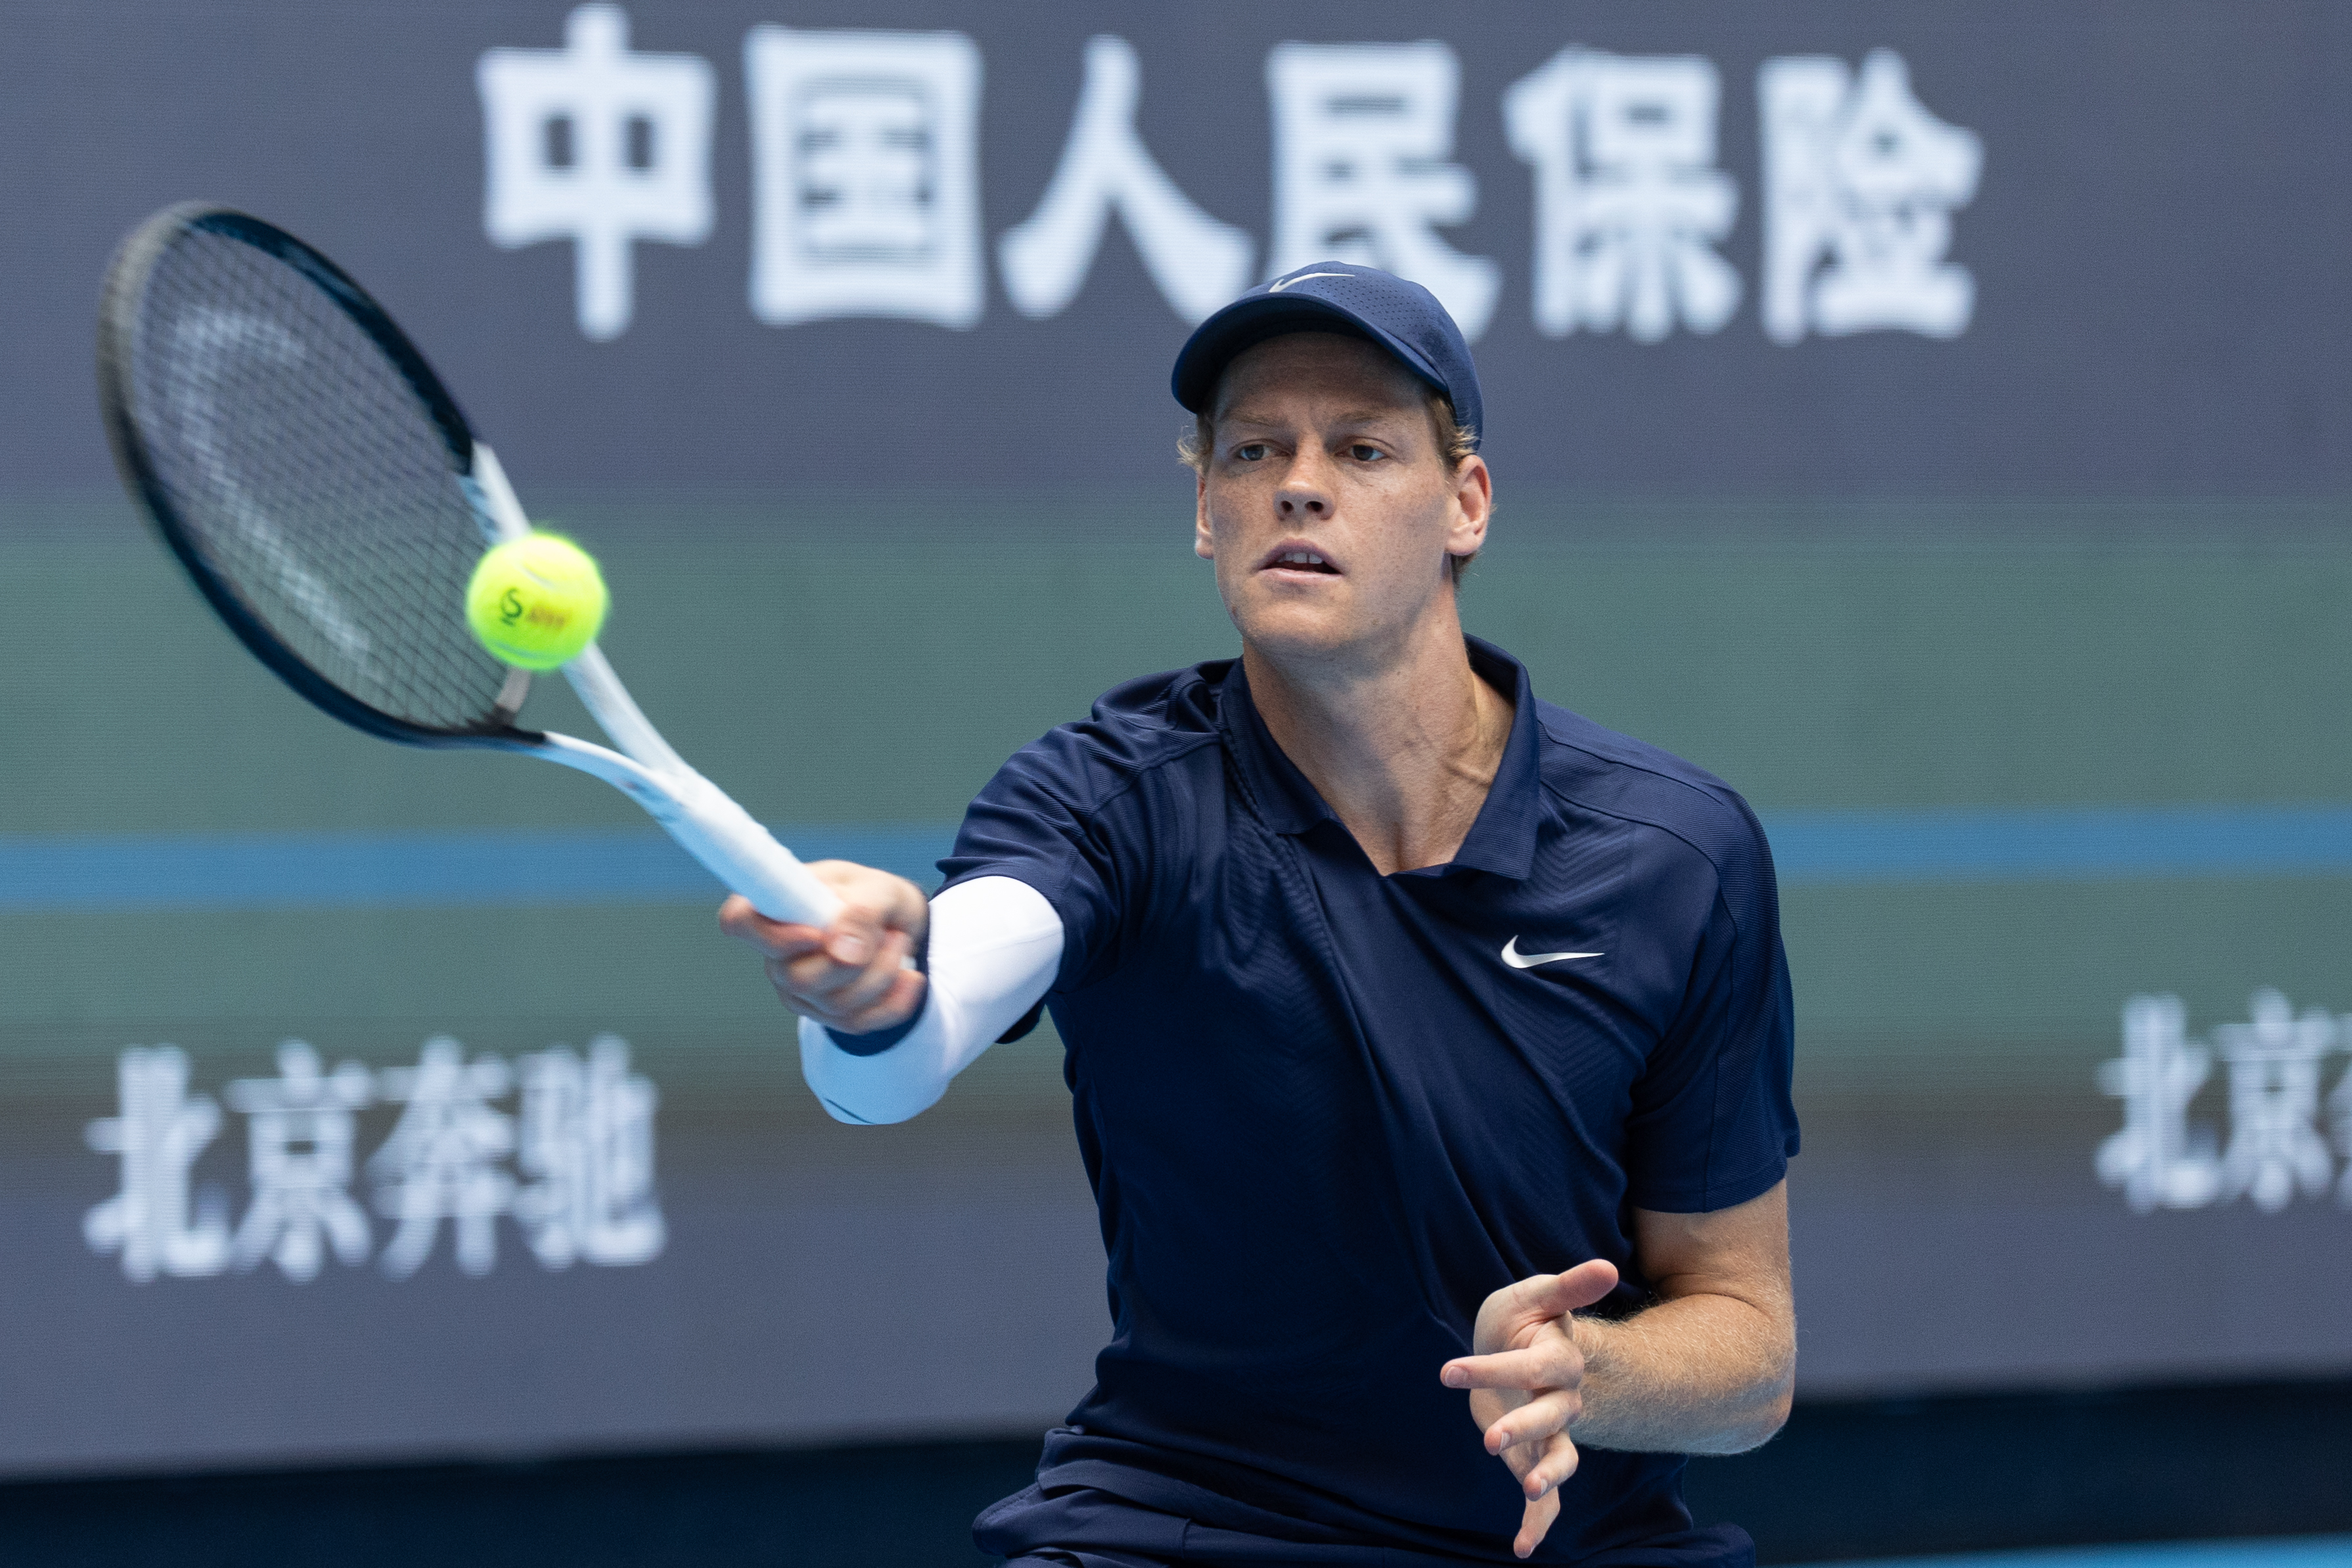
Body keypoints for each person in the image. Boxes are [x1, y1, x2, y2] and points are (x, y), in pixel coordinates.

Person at [721, 265, 1799, 1567]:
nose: (1297, 483)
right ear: (1204, 510)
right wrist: (873, 994)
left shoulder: (1673, 856)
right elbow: (923, 1025)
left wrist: (1584, 1371)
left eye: (1358, 448)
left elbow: (1745, 1348)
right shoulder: (1108, 800)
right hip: (1190, 1528)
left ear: (1464, 505)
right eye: (1252, 451)